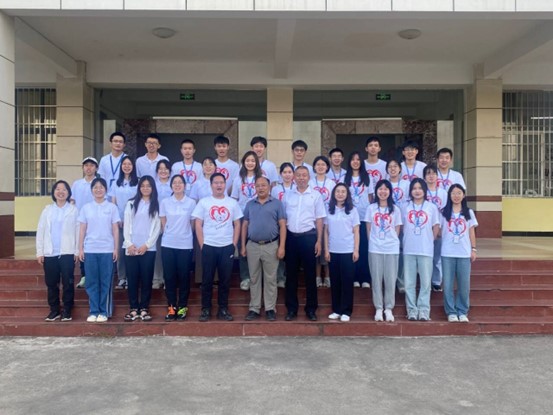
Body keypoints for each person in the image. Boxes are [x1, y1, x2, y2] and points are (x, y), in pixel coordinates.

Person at [192, 173, 243, 322]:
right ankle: (206, 309)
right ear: (211, 185)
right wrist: (202, 244)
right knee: (207, 279)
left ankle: (223, 309)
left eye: (221, 182)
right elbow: (198, 224)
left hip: (226, 246)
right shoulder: (204, 202)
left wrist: (234, 244)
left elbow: (237, 224)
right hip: (209, 246)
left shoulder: (232, 203)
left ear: (225, 184)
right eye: (216, 183)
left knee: (225, 280)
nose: (219, 185)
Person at [282, 166, 326, 321]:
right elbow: (283, 219)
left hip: (308, 238)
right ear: (294, 177)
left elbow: (319, 220)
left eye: (304, 175)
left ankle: (311, 309)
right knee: (291, 275)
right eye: (298, 175)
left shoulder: (316, 195)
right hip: (291, 238)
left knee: (310, 275)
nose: (301, 178)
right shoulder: (287, 195)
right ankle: (291, 309)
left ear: (309, 177)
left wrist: (319, 241)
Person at [241, 176, 286, 321]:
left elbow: (282, 225)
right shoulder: (250, 204)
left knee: (270, 279)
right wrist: (243, 245)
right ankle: (254, 308)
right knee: (254, 278)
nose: (260, 188)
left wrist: (281, 246)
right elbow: (244, 225)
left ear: (269, 187)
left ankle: (270, 309)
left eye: (263, 185)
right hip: (252, 245)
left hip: (271, 245)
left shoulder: (277, 204)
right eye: (258, 186)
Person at [78, 178, 120, 323]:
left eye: (101, 187)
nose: (98, 190)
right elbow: (82, 229)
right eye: (95, 187)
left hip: (107, 249)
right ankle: (93, 311)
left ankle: (104, 311)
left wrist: (116, 248)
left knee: (105, 281)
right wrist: (80, 248)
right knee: (91, 281)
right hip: (90, 249)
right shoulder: (86, 208)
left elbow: (115, 229)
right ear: (91, 190)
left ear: (106, 190)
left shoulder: (112, 208)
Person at [36, 180, 79, 322]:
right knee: (51, 283)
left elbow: (78, 231)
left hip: (67, 252)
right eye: (58, 189)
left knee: (68, 282)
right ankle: (54, 310)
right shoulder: (47, 210)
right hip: (50, 253)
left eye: (64, 189)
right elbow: (41, 231)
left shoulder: (73, 210)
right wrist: (40, 251)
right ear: (54, 192)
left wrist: (77, 250)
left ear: (68, 193)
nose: (61, 192)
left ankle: (67, 310)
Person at [122, 176, 161, 322]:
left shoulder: (156, 204)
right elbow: (126, 225)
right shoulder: (131, 204)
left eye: (148, 186)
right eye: (143, 185)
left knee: (146, 279)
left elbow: (157, 228)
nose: (145, 188)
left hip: (148, 249)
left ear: (153, 188)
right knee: (132, 280)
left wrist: (147, 245)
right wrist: (129, 243)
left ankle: (144, 308)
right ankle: (133, 309)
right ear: (139, 188)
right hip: (131, 248)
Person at [401, 178, 440, 321]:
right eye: (414, 188)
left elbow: (436, 226)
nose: (417, 191)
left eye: (420, 188)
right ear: (410, 191)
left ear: (424, 190)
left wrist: (430, 240)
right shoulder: (405, 207)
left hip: (426, 250)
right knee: (409, 282)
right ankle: (411, 310)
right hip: (409, 249)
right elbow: (401, 226)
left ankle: (424, 310)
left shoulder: (431, 207)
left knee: (425, 282)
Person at [160, 175, 196, 321]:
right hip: (168, 244)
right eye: (174, 183)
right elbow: (163, 222)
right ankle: (171, 307)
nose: (177, 185)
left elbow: (192, 224)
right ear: (171, 186)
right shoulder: (165, 202)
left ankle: (182, 307)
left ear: (185, 186)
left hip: (185, 244)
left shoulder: (191, 202)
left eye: (180, 182)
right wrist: (171, 233)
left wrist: (184, 234)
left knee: (184, 277)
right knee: (169, 277)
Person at [441, 184, 478, 323]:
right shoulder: (443, 212)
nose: (456, 196)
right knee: (448, 285)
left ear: (463, 195)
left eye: (459, 193)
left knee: (464, 285)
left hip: (463, 253)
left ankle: (462, 311)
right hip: (447, 253)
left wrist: (473, 249)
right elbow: (438, 231)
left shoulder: (469, 212)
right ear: (449, 195)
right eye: (453, 193)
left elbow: (471, 232)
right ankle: (451, 312)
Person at [366, 180, 402, 322]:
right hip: (375, 248)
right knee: (376, 279)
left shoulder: (395, 209)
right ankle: (379, 308)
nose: (383, 191)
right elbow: (368, 229)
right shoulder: (371, 208)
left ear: (390, 191)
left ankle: (389, 308)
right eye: (380, 189)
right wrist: (375, 242)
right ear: (376, 191)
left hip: (391, 248)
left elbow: (397, 229)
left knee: (390, 279)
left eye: (386, 189)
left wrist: (390, 241)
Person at [324, 183, 359, 322]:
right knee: (335, 281)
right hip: (333, 250)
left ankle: (346, 311)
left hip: (348, 250)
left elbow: (356, 231)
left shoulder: (352, 210)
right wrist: (326, 249)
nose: (340, 194)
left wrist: (356, 250)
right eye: (337, 191)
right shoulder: (329, 210)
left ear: (347, 194)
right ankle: (336, 310)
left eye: (343, 191)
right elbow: (326, 231)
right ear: (334, 194)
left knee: (347, 281)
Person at [231, 151, 262, 291]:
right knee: (242, 246)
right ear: (243, 162)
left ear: (256, 163)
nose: (250, 163)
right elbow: (234, 199)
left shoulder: (261, 178)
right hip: (241, 216)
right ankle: (245, 277)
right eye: (247, 160)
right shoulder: (238, 179)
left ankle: (258, 277)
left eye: (253, 161)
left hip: (258, 215)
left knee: (257, 246)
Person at [344, 151, 374, 288]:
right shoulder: (345, 178)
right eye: (353, 159)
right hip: (349, 218)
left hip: (363, 217)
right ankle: (354, 277)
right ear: (349, 162)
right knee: (352, 248)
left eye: (358, 159)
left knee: (363, 248)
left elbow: (370, 198)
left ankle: (365, 278)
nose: (355, 162)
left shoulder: (368, 178)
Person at [109, 156, 139, 290]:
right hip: (120, 222)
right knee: (121, 250)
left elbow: (140, 201)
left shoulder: (138, 182)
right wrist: (117, 219)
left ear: (133, 166)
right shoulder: (116, 183)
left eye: (129, 164)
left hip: (135, 222)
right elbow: (113, 203)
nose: (127, 166)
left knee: (133, 249)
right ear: (121, 166)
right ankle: (122, 277)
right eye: (124, 164)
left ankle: (133, 277)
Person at [71, 156, 100, 289]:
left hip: (96, 221)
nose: (89, 168)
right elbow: (72, 201)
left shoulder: (99, 183)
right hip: (80, 221)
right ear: (82, 168)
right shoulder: (77, 184)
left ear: (96, 168)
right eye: (86, 165)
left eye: (92, 165)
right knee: (82, 246)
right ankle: (84, 275)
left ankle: (94, 275)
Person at [310, 155, 335, 288]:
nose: (320, 167)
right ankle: (317, 276)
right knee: (315, 250)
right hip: (312, 221)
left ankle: (328, 277)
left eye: (323, 165)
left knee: (327, 249)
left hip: (328, 220)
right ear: (314, 167)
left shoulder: (331, 183)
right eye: (318, 164)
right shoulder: (310, 183)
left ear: (327, 167)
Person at [424, 164, 448, 293]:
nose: (431, 176)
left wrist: (441, 228)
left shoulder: (443, 193)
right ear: (424, 177)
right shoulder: (421, 191)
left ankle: (436, 281)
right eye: (428, 173)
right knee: (425, 256)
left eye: (433, 173)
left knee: (437, 257)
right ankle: (425, 280)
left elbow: (446, 212)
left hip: (439, 229)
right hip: (424, 229)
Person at [271, 162, 295, 288]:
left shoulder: (296, 188)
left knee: (290, 252)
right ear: (280, 174)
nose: (287, 175)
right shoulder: (275, 189)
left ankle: (289, 277)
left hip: (292, 224)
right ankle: (280, 277)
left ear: (293, 174)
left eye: (290, 172)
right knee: (279, 250)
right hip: (278, 224)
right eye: (284, 172)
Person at [152, 159, 172, 289]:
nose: (163, 171)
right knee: (156, 251)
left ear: (170, 171)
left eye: (166, 169)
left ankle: (167, 278)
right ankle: (156, 278)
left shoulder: (174, 183)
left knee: (168, 252)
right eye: (160, 169)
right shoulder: (153, 185)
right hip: (155, 221)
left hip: (171, 222)